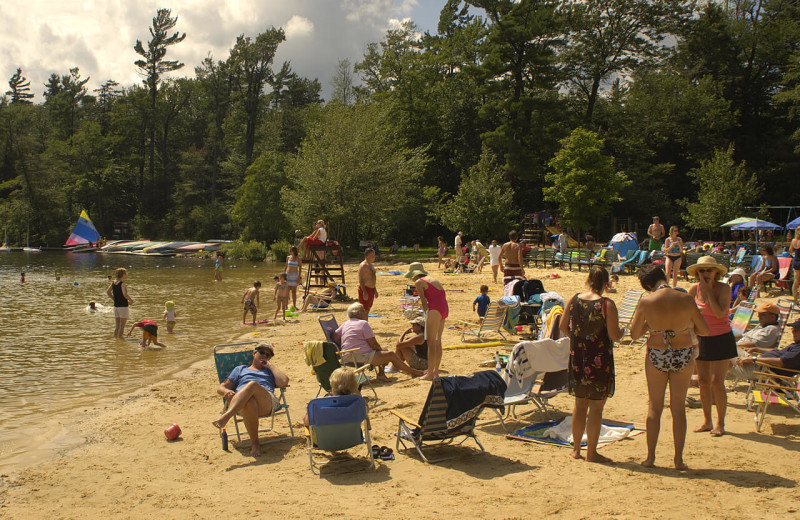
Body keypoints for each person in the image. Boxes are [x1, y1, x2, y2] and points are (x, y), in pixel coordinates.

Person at [629, 265, 709, 470]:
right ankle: (678, 459)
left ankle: (650, 457)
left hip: (657, 353)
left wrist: (651, 326)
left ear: (648, 285)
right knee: (678, 408)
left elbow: (634, 334)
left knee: (654, 407)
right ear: (663, 276)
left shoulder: (647, 301)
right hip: (682, 354)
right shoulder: (685, 299)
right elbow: (704, 330)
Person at [559, 266, 623, 463]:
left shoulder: (574, 299)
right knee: (596, 407)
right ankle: (592, 452)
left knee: (579, 405)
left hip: (579, 357)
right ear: (606, 283)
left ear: (588, 279)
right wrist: (623, 331)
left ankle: (576, 449)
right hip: (599, 358)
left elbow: (563, 327)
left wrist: (578, 340)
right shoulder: (607, 305)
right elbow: (614, 335)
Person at [687, 256, 736, 437]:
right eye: (702, 270)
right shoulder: (694, 289)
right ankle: (707, 421)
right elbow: (687, 312)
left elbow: (720, 312)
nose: (706, 273)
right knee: (703, 381)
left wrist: (708, 291)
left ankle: (720, 423)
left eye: (709, 270)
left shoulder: (723, 288)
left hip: (721, 337)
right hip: (701, 339)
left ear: (716, 272)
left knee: (717, 381)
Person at [212, 344, 289, 457]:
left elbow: (284, 382)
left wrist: (270, 366)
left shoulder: (270, 371)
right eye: (261, 352)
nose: (264, 356)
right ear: (254, 353)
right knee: (249, 402)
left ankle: (226, 416)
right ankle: (255, 443)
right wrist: (225, 392)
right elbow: (221, 388)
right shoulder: (240, 369)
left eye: (268, 355)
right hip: (242, 404)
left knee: (252, 385)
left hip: (267, 403)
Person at [333, 303, 424, 380]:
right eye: (364, 311)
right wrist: (380, 350)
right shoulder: (363, 324)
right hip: (360, 356)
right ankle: (416, 372)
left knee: (384, 350)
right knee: (390, 354)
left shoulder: (346, 323)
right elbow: (373, 344)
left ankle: (381, 374)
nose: (365, 313)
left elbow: (334, 337)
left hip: (346, 355)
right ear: (359, 313)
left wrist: (345, 344)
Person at [404, 262, 448, 381]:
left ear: (415, 275)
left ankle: (430, 373)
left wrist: (425, 314)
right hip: (444, 308)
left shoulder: (419, 282)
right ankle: (435, 371)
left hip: (434, 310)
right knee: (438, 342)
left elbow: (424, 302)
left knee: (431, 342)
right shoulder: (433, 279)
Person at [730, 319, 800, 380]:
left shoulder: (798, 350)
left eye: (796, 330)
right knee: (728, 347)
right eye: (793, 330)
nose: (793, 332)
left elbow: (780, 362)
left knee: (725, 358)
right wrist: (757, 349)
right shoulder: (796, 345)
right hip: (758, 363)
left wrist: (753, 359)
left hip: (762, 370)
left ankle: (719, 387)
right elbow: (778, 351)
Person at [107, 268, 134, 338]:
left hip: (116, 307)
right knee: (122, 326)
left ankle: (116, 340)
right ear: (123, 275)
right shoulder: (122, 283)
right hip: (123, 306)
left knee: (117, 326)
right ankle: (120, 340)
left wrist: (114, 299)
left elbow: (108, 292)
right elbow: (125, 294)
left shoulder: (113, 282)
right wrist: (131, 300)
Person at [358, 247, 378, 315]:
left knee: (368, 309)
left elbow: (372, 278)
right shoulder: (363, 265)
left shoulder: (370, 265)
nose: (374, 256)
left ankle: (365, 323)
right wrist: (364, 292)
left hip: (371, 289)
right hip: (365, 289)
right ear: (369, 255)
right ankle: (363, 324)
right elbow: (361, 279)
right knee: (364, 310)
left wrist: (375, 290)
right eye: (373, 255)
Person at [285, 246, 302, 310]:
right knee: (287, 291)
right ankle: (286, 306)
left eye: (290, 250)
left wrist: (298, 277)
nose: (289, 252)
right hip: (288, 275)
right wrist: (283, 275)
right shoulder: (288, 257)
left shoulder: (298, 258)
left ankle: (294, 305)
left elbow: (300, 268)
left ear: (293, 251)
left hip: (295, 275)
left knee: (294, 291)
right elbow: (286, 266)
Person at [790, 230, 800, 305]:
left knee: (796, 281)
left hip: (796, 260)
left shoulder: (793, 240)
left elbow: (790, 251)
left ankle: (795, 299)